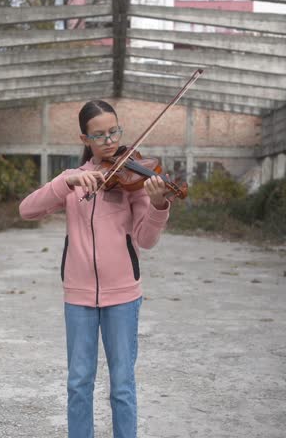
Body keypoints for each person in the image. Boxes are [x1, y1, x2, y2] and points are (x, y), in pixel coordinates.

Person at [19, 100, 172, 438]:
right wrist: (67, 182)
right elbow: (26, 210)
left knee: (122, 385)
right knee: (78, 383)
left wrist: (159, 205)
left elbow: (145, 240)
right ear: (84, 138)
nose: (109, 140)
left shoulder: (132, 177)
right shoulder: (73, 180)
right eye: (99, 134)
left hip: (123, 297)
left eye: (114, 132)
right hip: (79, 296)